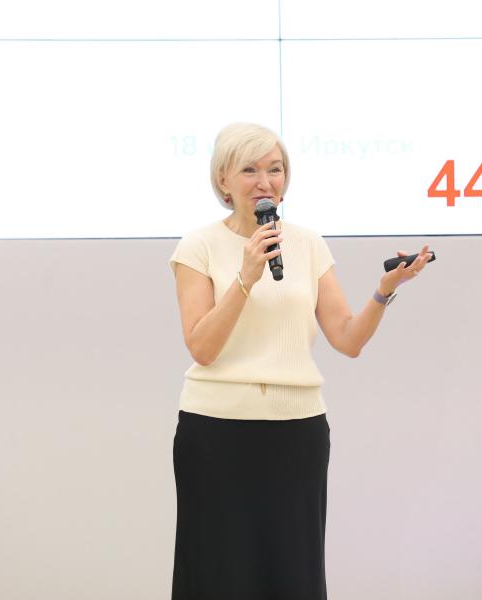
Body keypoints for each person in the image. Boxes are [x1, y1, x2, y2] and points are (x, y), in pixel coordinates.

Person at [168, 122, 432, 599]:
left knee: (292, 575)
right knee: (218, 573)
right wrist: (246, 277)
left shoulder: (308, 244)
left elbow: (347, 339)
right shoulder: (198, 246)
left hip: (296, 433)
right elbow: (202, 347)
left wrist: (384, 291)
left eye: (275, 169)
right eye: (250, 170)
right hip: (216, 433)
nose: (265, 182)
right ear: (223, 179)